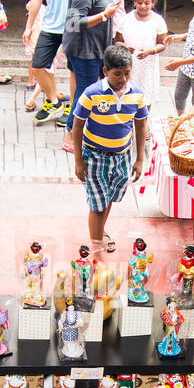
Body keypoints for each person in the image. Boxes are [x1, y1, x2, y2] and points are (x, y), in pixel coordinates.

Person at [71, 44, 147, 252]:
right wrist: (79, 160)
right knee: (97, 205)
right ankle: (96, 248)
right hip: (94, 157)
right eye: (117, 74)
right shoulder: (92, 94)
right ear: (105, 71)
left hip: (122, 157)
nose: (122, 79)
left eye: (127, 73)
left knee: (109, 197)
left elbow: (140, 125)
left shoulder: (137, 95)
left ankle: (100, 230)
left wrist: (139, 159)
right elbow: (77, 126)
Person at [61, 0, 120, 154]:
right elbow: (74, 22)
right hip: (84, 51)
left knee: (89, 90)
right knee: (83, 93)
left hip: (96, 48)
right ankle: (70, 134)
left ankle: (82, 129)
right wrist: (104, 15)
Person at [24, 0, 83, 126]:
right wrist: (29, 26)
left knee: (74, 68)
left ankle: (74, 108)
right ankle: (53, 101)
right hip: (50, 23)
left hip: (74, 22)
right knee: (38, 64)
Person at [114, 0, 168, 113]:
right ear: (134, 2)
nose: (143, 6)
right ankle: (127, 121)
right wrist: (125, 47)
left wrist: (151, 51)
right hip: (128, 64)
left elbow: (162, 44)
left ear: (153, 3)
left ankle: (144, 122)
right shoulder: (126, 19)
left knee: (146, 95)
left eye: (147, 3)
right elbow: (117, 41)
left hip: (148, 65)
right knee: (127, 93)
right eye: (139, 2)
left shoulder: (158, 21)